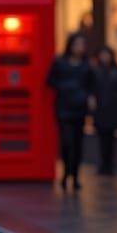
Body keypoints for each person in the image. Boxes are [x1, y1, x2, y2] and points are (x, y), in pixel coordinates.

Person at [46, 32, 93, 190]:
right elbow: (49, 81)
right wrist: (64, 87)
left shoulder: (86, 64)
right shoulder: (59, 62)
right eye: (77, 44)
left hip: (80, 108)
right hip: (64, 107)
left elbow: (91, 84)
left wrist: (89, 97)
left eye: (82, 44)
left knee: (79, 143)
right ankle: (66, 173)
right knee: (66, 141)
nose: (80, 47)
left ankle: (76, 176)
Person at [90, 45, 117, 176]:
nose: (105, 57)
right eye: (102, 54)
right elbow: (91, 89)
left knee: (111, 138)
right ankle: (103, 164)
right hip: (101, 109)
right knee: (102, 138)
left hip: (113, 109)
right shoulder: (95, 71)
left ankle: (109, 165)